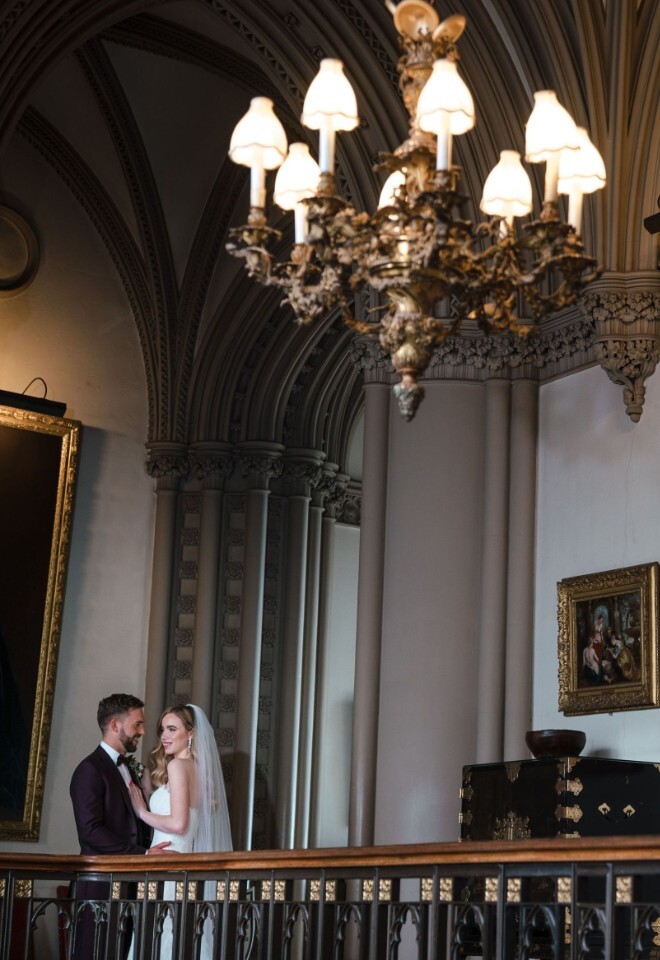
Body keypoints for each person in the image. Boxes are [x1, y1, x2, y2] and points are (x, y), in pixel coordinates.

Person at [69, 693, 172, 960]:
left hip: (128, 882)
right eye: (137, 724)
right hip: (100, 885)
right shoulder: (89, 770)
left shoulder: (130, 768)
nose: (144, 731)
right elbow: (90, 831)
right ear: (115, 725)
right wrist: (144, 855)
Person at [128, 703, 232, 959]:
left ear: (191, 733)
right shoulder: (198, 771)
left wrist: (142, 812)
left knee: (164, 938)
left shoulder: (177, 767)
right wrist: (151, 793)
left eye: (172, 729)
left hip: (169, 865)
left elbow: (178, 824)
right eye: (162, 729)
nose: (164, 736)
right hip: (183, 865)